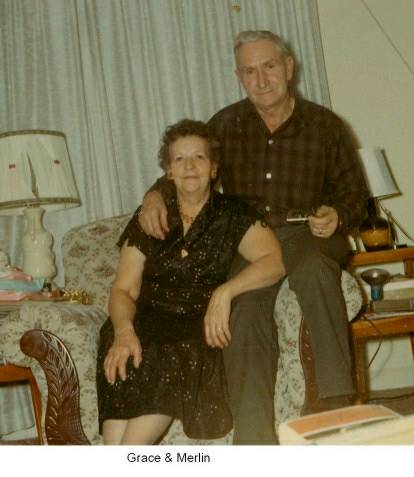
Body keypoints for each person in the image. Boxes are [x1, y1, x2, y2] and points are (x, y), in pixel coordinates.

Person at [139, 30, 368, 444]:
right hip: (251, 240)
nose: (261, 80)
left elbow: (355, 196)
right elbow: (187, 167)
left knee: (315, 269)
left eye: (269, 67)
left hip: (309, 233)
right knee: (243, 312)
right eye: (250, 71)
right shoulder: (226, 124)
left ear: (289, 67)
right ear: (238, 76)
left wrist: (337, 214)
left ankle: (336, 406)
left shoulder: (326, 126)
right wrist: (154, 195)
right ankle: (255, 441)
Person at [96, 119, 284, 445]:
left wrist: (226, 291)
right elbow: (123, 289)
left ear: (214, 168)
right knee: (122, 351)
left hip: (192, 330)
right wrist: (124, 332)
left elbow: (274, 261)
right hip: (139, 324)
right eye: (179, 159)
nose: (189, 166)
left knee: (131, 441)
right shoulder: (150, 216)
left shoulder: (233, 214)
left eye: (199, 157)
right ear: (169, 172)